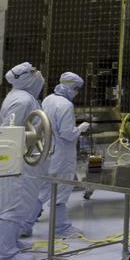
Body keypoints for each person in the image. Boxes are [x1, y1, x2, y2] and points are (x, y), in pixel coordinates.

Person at [0, 63, 45, 260]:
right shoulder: (22, 100)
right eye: (33, 72)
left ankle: (7, 242)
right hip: (20, 162)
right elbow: (10, 133)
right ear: (25, 78)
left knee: (19, 204)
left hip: (23, 160)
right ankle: (3, 253)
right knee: (14, 205)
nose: (38, 75)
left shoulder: (23, 97)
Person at [37, 72, 89, 238]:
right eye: (76, 89)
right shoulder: (66, 105)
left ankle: (25, 224)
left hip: (47, 151)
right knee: (61, 191)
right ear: (72, 87)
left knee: (43, 190)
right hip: (62, 155)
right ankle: (61, 228)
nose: (76, 93)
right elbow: (67, 133)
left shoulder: (48, 100)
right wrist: (81, 128)